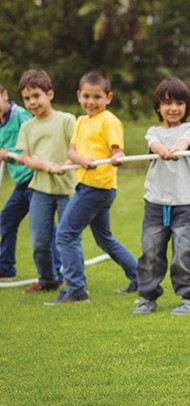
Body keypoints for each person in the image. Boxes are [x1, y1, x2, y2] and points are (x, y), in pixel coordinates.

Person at [46, 70, 138, 305]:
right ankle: (140, 277)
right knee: (104, 239)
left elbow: (117, 150)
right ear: (79, 96)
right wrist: (71, 163)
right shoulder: (81, 121)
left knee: (66, 234)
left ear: (108, 98)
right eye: (86, 96)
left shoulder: (109, 121)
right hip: (86, 185)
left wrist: (118, 155)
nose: (91, 102)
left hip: (97, 188)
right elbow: (73, 152)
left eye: (97, 97)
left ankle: (76, 291)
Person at [133, 77, 190, 315]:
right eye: (167, 103)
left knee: (183, 252)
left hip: (184, 203)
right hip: (155, 202)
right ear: (158, 107)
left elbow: (184, 143)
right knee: (151, 252)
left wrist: (177, 150)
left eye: (180, 103)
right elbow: (154, 145)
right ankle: (147, 297)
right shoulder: (152, 132)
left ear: (187, 107)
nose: (174, 108)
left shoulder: (189, 129)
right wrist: (163, 150)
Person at [16, 69, 76, 294]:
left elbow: (76, 149)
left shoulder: (67, 120)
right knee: (39, 241)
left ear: (50, 94)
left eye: (36, 96)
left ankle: (76, 281)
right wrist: (45, 166)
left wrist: (65, 163)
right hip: (39, 190)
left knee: (68, 238)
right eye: (27, 98)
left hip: (67, 189)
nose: (32, 102)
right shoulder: (27, 127)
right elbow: (26, 158)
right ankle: (48, 279)